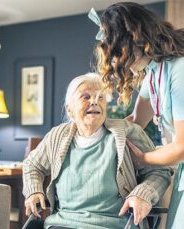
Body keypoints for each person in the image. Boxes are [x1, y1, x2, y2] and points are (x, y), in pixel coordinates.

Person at [23, 73, 172, 229]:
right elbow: (32, 165)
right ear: (70, 109)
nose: (94, 102)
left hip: (114, 224)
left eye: (100, 97)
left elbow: (160, 171)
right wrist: (33, 191)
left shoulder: (127, 132)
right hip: (62, 223)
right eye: (85, 97)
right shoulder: (57, 136)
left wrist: (142, 194)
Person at [91, 2, 184, 228]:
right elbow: (134, 122)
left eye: (116, 52)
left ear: (136, 38)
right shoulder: (153, 72)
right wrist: (94, 134)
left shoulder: (179, 70)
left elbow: (182, 146)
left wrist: (144, 159)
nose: (114, 62)